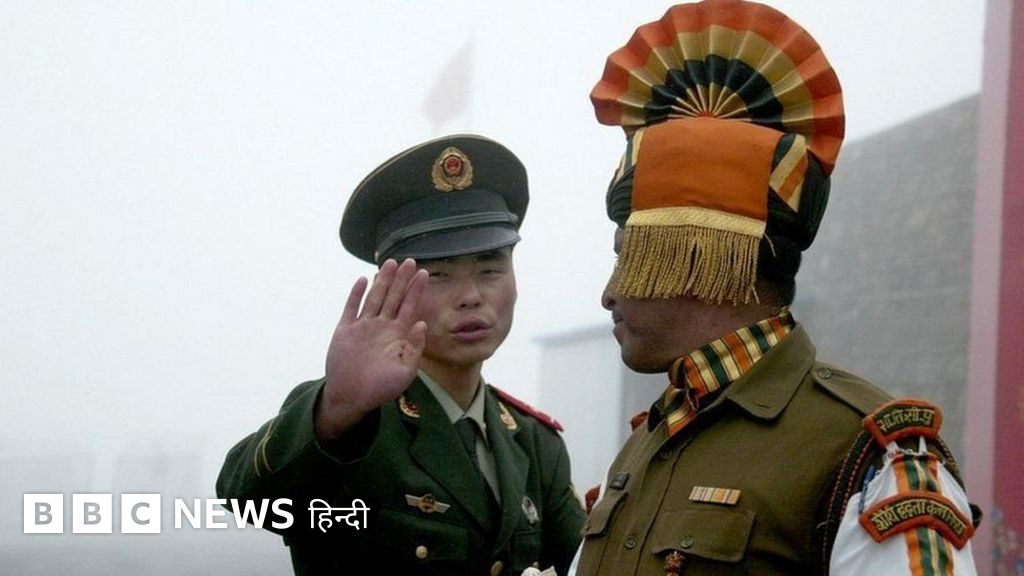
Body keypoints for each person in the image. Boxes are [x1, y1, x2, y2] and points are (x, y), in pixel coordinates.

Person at [576, 2, 980, 575]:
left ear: (698, 255)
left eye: (628, 257)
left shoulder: (871, 453)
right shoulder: (645, 444)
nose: (608, 294)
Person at [216, 134, 585, 576]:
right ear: (391, 289)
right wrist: (337, 409)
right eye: (439, 275)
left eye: (491, 268)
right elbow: (248, 500)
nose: (471, 296)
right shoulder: (351, 422)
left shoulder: (534, 443)